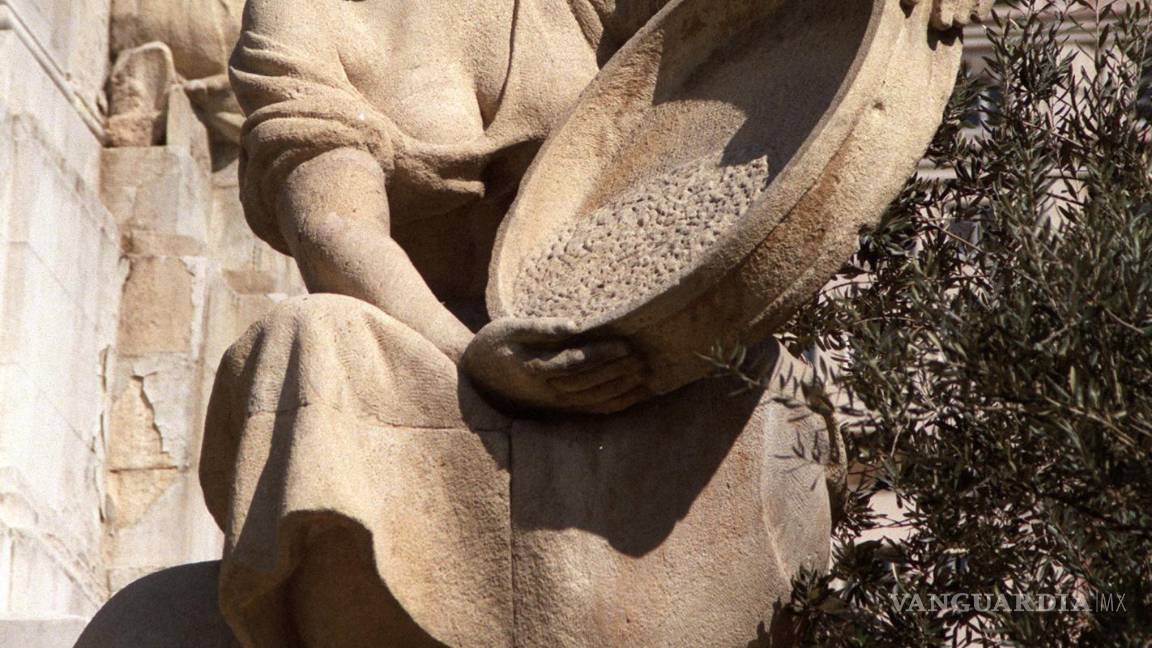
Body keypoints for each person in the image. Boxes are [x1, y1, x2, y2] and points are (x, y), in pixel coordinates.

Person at [196, 1, 991, 646]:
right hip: (419, 345)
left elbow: (738, 32)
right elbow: (336, 228)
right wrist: (476, 356)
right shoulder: (302, 14)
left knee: (762, 374)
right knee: (305, 340)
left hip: (621, 339)